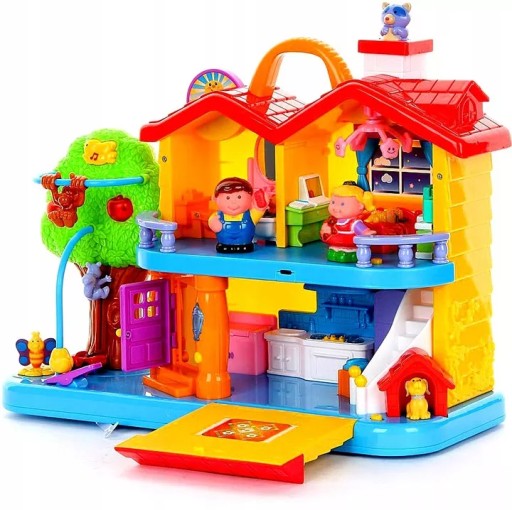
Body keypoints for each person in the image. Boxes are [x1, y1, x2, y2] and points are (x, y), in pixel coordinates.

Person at [320, 182, 376, 263]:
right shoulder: (332, 220)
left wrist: (367, 233)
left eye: (342, 204)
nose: (336, 207)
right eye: (333, 202)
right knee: (332, 253)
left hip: (350, 247)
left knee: (344, 255)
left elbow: (364, 231)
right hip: (334, 245)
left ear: (360, 206)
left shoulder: (354, 223)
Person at [208, 177, 267, 253]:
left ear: (250, 198)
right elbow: (212, 222)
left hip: (245, 245)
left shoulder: (251, 215)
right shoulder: (217, 215)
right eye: (228, 198)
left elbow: (260, 210)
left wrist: (261, 203)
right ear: (215, 199)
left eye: (239, 197)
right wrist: (214, 223)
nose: (233, 202)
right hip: (224, 245)